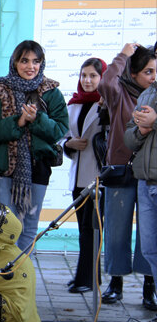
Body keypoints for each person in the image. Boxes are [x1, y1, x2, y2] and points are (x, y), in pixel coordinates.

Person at [0, 40, 69, 254]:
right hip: (3, 170)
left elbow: (60, 129)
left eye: (36, 61)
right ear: (15, 62)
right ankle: (2, 277)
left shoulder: (51, 91)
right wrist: (17, 122)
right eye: (24, 60)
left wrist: (37, 119)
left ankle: (20, 277)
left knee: (29, 227)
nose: (31, 66)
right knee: (3, 227)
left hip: (37, 170)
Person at [98, 43, 156, 309]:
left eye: (155, 71)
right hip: (121, 170)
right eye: (147, 71)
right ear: (133, 74)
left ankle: (149, 287)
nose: (153, 77)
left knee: (149, 235)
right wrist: (123, 55)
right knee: (117, 230)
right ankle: (116, 283)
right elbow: (106, 82)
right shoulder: (119, 93)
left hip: (148, 174)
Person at [61, 58, 108, 294]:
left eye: (93, 76)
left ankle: (88, 279)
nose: (87, 80)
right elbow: (64, 137)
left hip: (97, 177)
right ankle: (84, 275)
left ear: (103, 78)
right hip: (78, 177)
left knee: (93, 229)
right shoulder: (74, 104)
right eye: (83, 75)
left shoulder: (108, 105)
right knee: (83, 229)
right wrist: (69, 144)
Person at [124, 53, 157, 322]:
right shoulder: (147, 94)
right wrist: (143, 131)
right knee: (150, 250)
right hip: (145, 183)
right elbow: (128, 136)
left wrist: (154, 123)